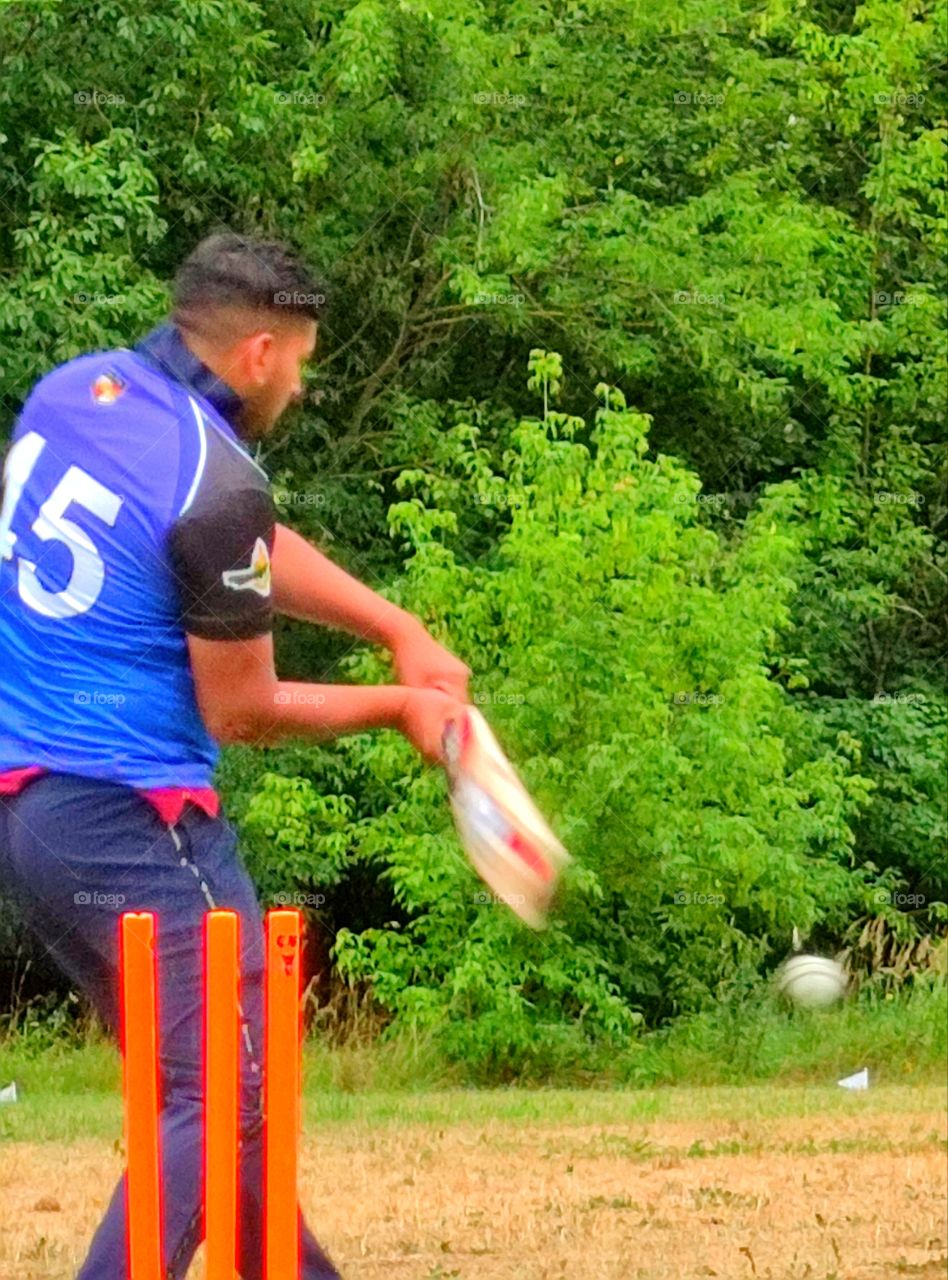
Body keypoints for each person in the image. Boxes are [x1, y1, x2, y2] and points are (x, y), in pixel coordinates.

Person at [0, 233, 469, 1279]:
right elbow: (245, 708)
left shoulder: (81, 395)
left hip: (33, 814)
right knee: (220, 1100)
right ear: (259, 350)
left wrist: (395, 623)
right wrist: (398, 704)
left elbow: (230, 541)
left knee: (230, 1106)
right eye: (299, 360)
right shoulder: (216, 479)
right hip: (135, 818)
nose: (299, 385)